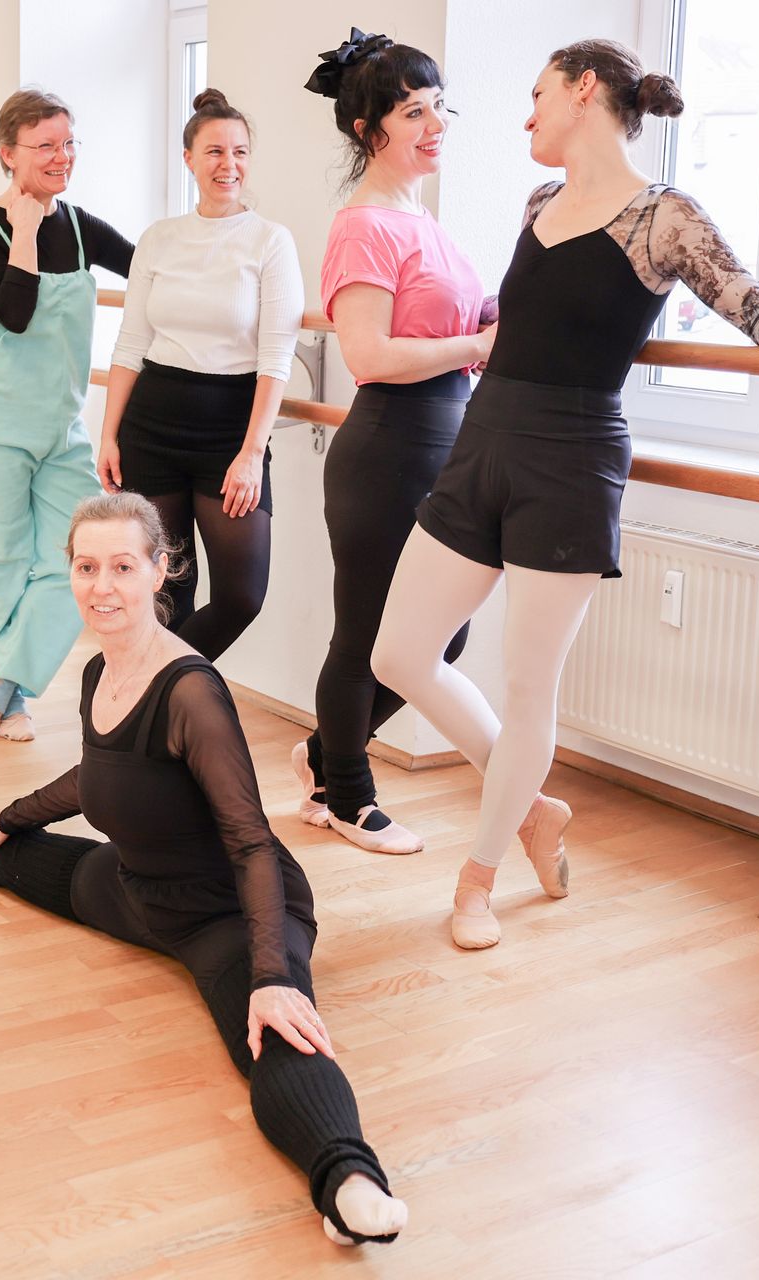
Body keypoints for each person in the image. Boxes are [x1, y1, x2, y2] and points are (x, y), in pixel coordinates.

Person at [370, 39, 759, 949]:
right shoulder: (539, 204)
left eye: (536, 94)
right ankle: (529, 807)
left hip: (572, 458)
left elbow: (750, 304)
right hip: (486, 442)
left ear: (583, 90)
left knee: (527, 685)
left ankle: (476, 884)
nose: (526, 115)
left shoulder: (661, 217)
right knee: (398, 654)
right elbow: (520, 323)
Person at [0, 492, 409, 1245]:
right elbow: (102, 773)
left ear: (160, 571)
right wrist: (11, 816)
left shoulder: (192, 692)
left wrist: (269, 975)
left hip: (228, 914)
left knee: (273, 1036)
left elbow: (253, 843)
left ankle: (349, 1183)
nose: (103, 586)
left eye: (123, 567)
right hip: (136, 890)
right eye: (87, 567)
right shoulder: (102, 672)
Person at [294, 29, 571, 864]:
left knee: (435, 644)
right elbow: (370, 355)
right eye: (413, 111)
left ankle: (321, 760)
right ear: (364, 129)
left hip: (447, 444)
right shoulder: (365, 226)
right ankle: (346, 794)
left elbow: (460, 318)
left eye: (439, 106)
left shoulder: (423, 220)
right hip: (389, 447)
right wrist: (473, 346)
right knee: (367, 635)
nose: (435, 123)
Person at [0, 88, 134, 742]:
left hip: (59, 430)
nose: (62, 157)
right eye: (46, 146)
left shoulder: (81, 227)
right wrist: (25, 230)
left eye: (69, 143)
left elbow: (148, 267)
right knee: (1, 556)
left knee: (78, 555)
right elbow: (15, 311)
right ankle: (1, 697)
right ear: (8, 153)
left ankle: (10, 672)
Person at [97, 89, 304, 662]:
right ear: (189, 158)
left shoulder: (270, 241)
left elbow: (276, 356)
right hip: (153, 425)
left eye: (239, 151)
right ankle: (162, 728)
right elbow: (132, 343)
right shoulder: (160, 238)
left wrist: (251, 452)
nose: (228, 164)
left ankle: (140, 689)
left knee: (241, 594)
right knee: (166, 590)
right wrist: (110, 433)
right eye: (214, 151)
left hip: (231, 433)